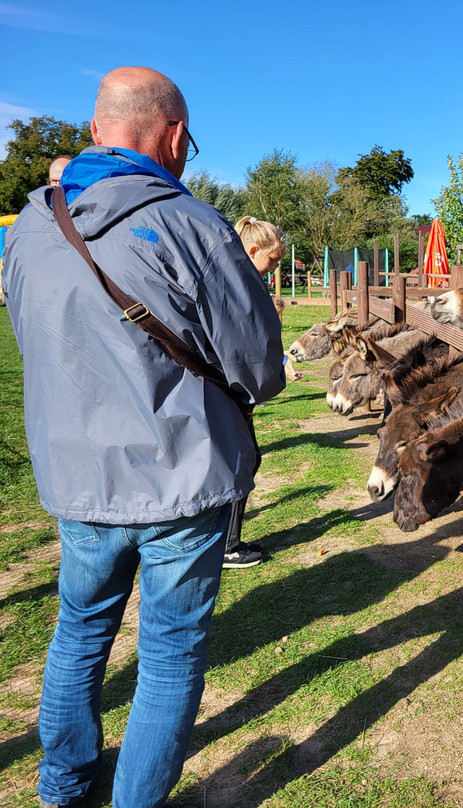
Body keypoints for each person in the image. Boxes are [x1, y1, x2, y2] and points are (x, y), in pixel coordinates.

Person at [1, 67, 285, 808]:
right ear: (175, 135)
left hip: (77, 476)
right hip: (181, 476)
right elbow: (259, 364)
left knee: (78, 631)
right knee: (168, 654)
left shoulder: (30, 228)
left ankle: (62, 786)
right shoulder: (194, 224)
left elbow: (32, 336)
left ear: (97, 130)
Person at [221, 217, 302, 570]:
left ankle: (226, 541)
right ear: (253, 250)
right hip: (230, 391)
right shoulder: (235, 286)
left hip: (239, 393)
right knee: (243, 460)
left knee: (247, 458)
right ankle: (226, 546)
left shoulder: (241, 282)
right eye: (272, 259)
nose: (274, 267)